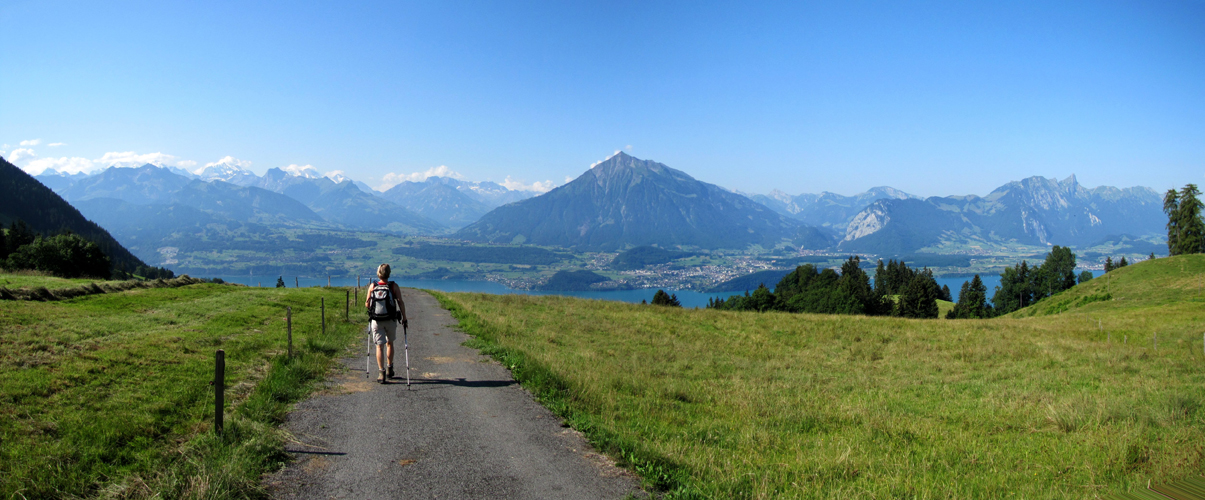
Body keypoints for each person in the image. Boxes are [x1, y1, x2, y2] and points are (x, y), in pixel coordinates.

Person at [365, 263, 409, 383]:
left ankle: (381, 372)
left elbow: (367, 304)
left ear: (378, 273)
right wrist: (404, 318)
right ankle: (390, 368)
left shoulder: (373, 286)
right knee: (390, 343)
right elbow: (400, 302)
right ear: (389, 273)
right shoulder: (393, 286)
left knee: (379, 346)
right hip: (390, 319)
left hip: (377, 320)